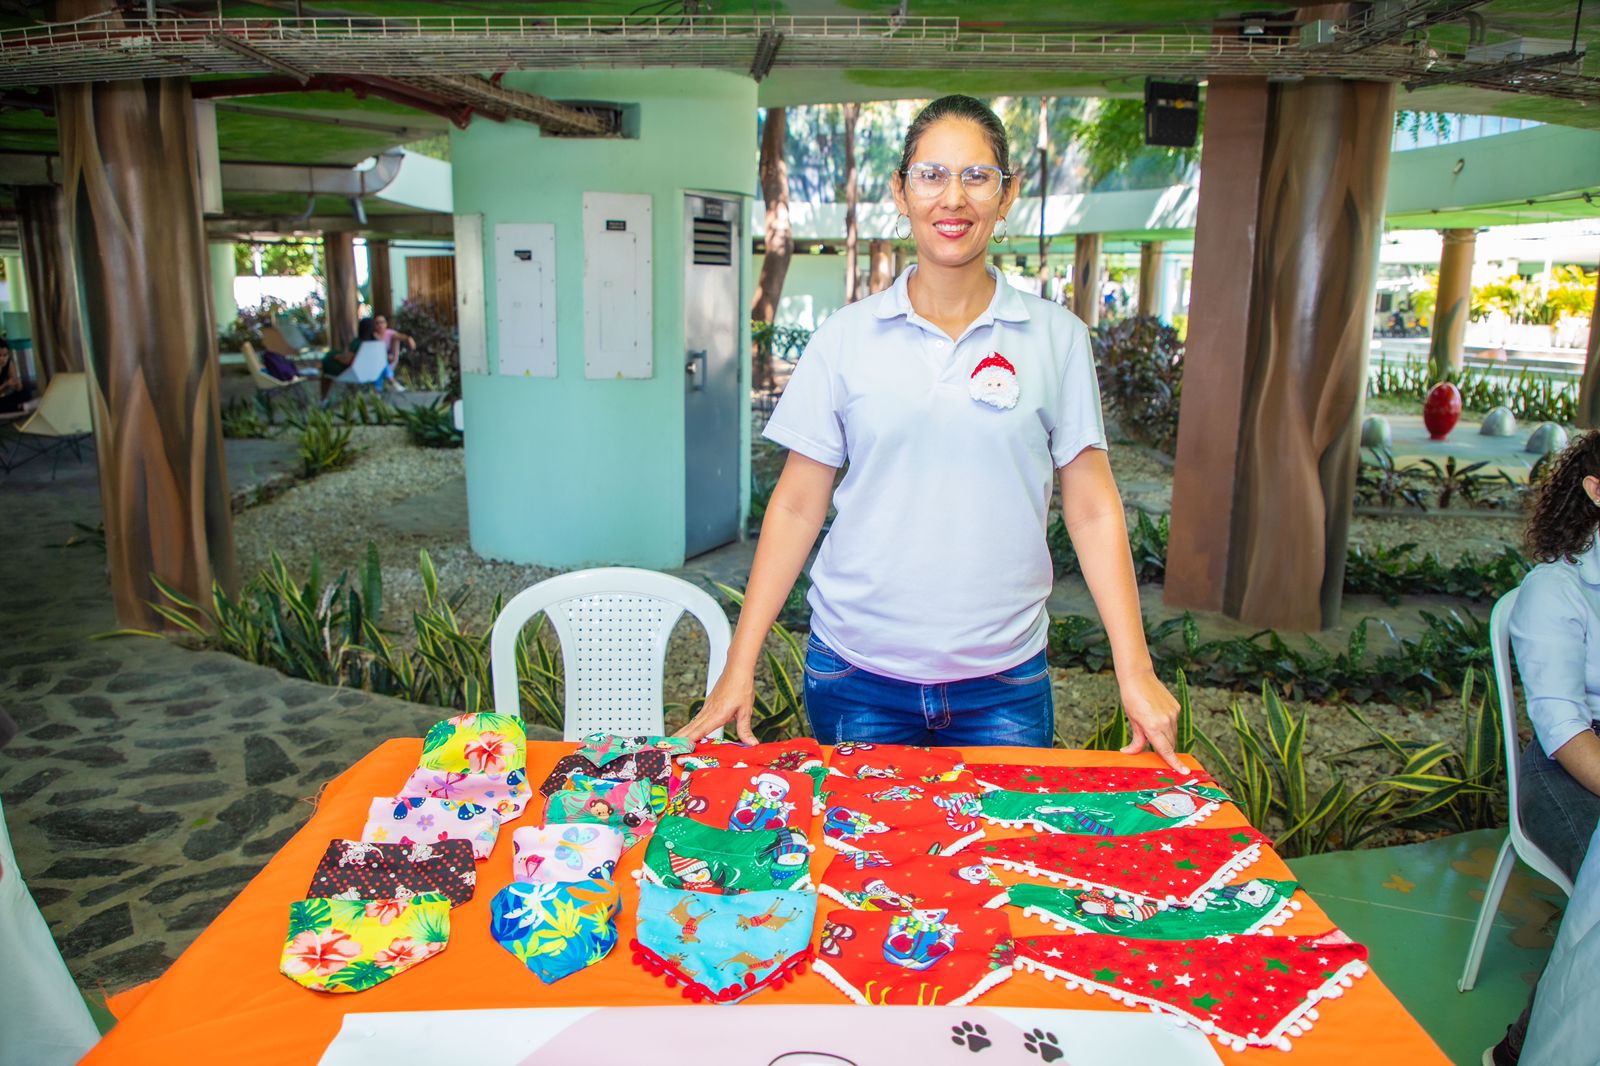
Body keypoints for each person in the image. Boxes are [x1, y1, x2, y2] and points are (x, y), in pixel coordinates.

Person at [675, 95, 1182, 768]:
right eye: (932, 175)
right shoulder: (845, 338)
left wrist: (1135, 668)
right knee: (860, 841)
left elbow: (1091, 508)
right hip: (857, 675)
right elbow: (796, 506)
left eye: (977, 176)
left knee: (997, 840)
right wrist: (740, 665)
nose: (954, 198)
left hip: (1003, 682)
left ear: (1007, 196)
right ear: (902, 191)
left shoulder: (1056, 339)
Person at [1486, 430, 1600, 1066]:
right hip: (1568, 764)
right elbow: (1563, 728)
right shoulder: (1555, 589)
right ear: (1596, 490)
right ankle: (1520, 1050)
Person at [319, 316, 379, 402]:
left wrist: (336, 357)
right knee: (329, 359)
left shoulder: (358, 343)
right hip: (371, 373)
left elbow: (347, 360)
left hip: (354, 372)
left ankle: (323, 399)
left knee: (327, 363)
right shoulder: (377, 344)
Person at [373, 313, 416, 393]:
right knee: (381, 363)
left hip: (389, 361)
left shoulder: (390, 333)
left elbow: (400, 336)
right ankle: (391, 383)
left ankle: (383, 386)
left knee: (383, 364)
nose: (380, 325)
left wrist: (408, 338)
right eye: (377, 323)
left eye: (382, 322)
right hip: (375, 362)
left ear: (386, 324)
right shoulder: (371, 335)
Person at [0, 340, 33, 415]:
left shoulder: (8, 363)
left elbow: (18, 387)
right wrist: (5, 385)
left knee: (26, 393)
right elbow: (6, 385)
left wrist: (17, 384)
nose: (2, 359)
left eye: (5, 355)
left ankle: (17, 407)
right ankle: (18, 407)